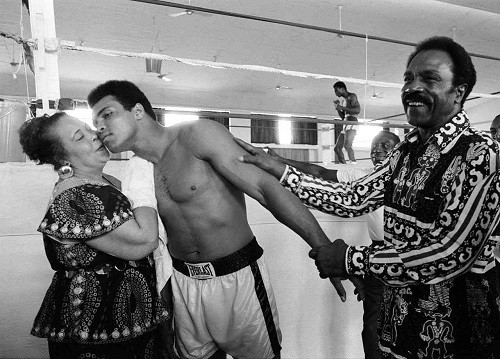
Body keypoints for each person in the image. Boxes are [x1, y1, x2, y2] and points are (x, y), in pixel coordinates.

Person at [236, 36, 500, 358]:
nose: (412, 87)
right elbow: (352, 198)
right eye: (408, 78)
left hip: (453, 339)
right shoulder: (405, 151)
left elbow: (447, 253)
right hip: (398, 329)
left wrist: (350, 260)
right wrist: (281, 170)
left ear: (458, 91)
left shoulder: (481, 154)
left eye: (429, 78)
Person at [87, 80, 352, 359]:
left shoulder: (196, 135)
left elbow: (266, 188)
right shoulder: (136, 171)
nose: (100, 127)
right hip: (184, 282)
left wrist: (325, 249)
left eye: (107, 113)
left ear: (138, 110)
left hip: (237, 278)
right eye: (95, 122)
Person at [18, 113, 171, 359]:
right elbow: (145, 240)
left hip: (127, 318)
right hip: (99, 323)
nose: (94, 135)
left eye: (88, 129)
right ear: (61, 157)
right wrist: (141, 169)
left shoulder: (104, 183)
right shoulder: (77, 196)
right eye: (80, 137)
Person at [264, 130, 401, 359]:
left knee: (409, 325)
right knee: (372, 328)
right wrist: (279, 162)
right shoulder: (364, 178)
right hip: (377, 257)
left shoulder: (414, 183)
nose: (377, 151)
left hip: (411, 257)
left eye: (385, 146)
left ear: (399, 151)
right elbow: (320, 173)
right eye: (374, 146)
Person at [333, 81, 361, 164]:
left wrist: (342, 108)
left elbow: (357, 110)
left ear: (342, 89)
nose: (335, 93)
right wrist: (338, 108)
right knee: (337, 148)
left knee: (347, 145)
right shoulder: (343, 101)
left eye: (336, 90)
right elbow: (343, 117)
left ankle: (354, 165)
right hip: (345, 123)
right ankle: (344, 165)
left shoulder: (352, 96)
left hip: (352, 122)